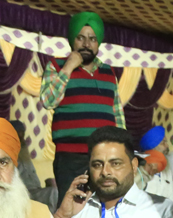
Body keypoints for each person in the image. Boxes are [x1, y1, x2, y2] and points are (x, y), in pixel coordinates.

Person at [41, 12, 125, 203]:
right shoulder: (56, 66)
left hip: (104, 156)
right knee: (72, 208)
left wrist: (122, 150)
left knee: (106, 206)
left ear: (98, 43)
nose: (87, 44)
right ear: (72, 40)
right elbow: (48, 100)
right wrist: (68, 67)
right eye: (81, 38)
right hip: (71, 157)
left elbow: (118, 114)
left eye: (92, 39)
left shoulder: (108, 72)